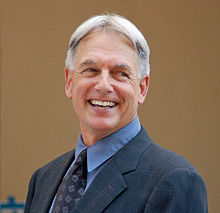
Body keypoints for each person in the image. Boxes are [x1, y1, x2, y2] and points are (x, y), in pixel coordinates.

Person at [24, 13, 208, 213]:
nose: (104, 85)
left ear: (142, 88)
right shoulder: (43, 179)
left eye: (121, 74)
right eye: (91, 70)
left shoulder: (174, 180)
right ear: (69, 82)